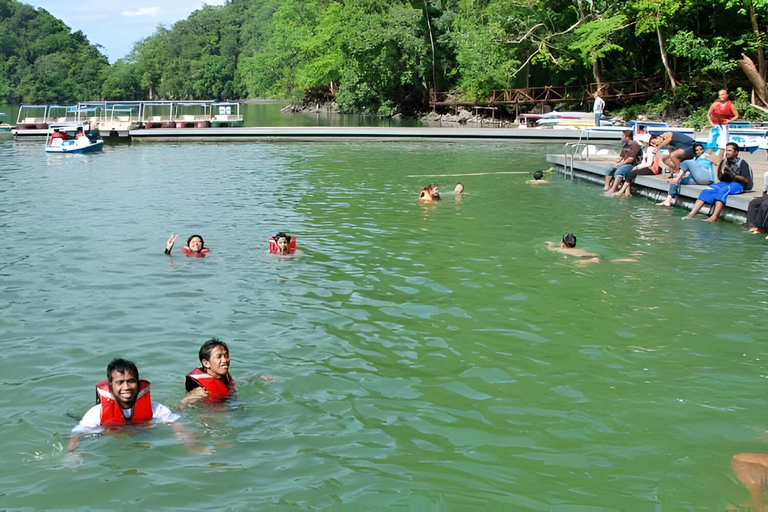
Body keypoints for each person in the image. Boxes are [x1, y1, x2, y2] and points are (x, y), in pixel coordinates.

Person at [68, 358, 203, 454]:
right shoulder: (96, 413)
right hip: (110, 442)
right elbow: (76, 433)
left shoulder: (154, 408)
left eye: (131, 381)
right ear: (110, 385)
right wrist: (73, 454)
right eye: (120, 382)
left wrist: (190, 444)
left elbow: (176, 422)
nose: (126, 387)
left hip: (143, 438)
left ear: (138, 383)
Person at [684, 142, 753, 222]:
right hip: (726, 183)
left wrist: (734, 176)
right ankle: (692, 214)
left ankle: (714, 217)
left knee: (723, 191)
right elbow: (720, 178)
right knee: (707, 190)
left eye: (729, 150)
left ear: (736, 152)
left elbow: (746, 180)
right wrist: (724, 174)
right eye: (726, 150)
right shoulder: (725, 161)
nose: (727, 152)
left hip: (738, 185)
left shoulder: (742, 163)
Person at [178, 339, 236, 410]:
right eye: (219, 357)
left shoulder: (223, 375)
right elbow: (182, 405)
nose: (225, 360)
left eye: (226, 355)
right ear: (206, 363)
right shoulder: (201, 391)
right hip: (210, 415)